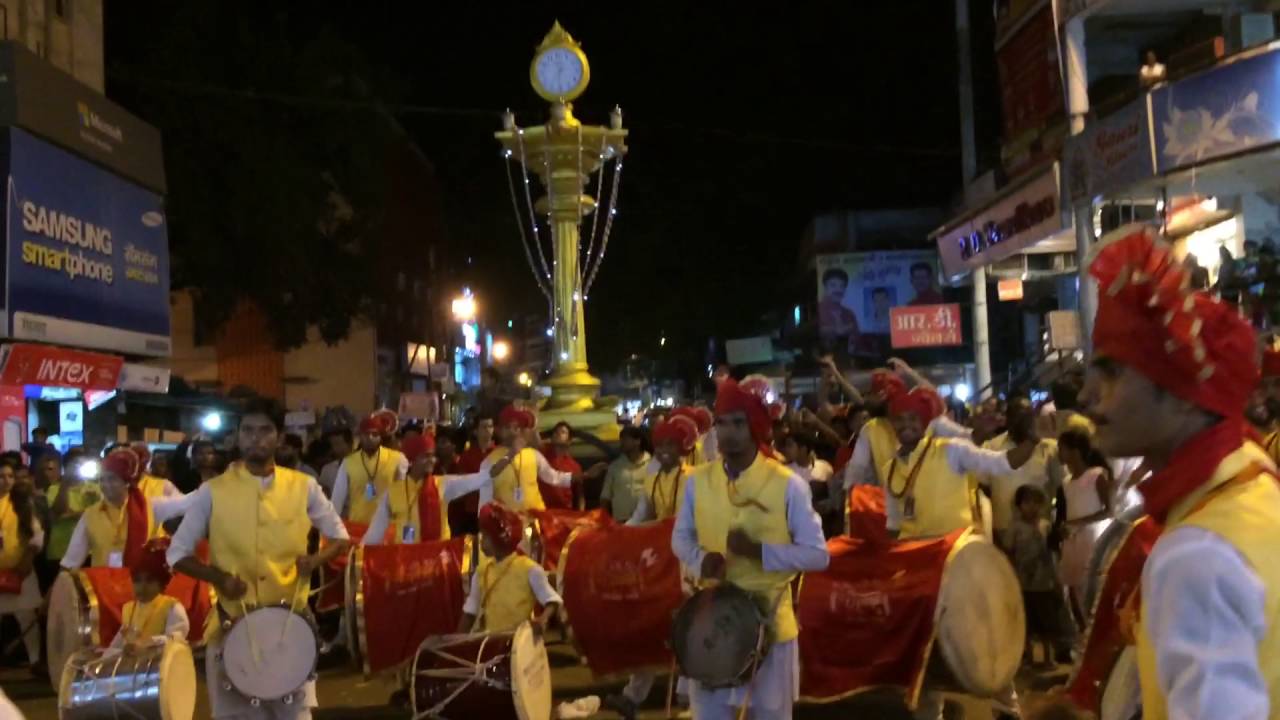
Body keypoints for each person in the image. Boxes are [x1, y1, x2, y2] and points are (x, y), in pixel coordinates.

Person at [1076, 224, 1280, 718]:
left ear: (1189, 396)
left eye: (1112, 372)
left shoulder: (1195, 555)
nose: (1085, 397)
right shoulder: (1253, 477)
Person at [167, 397, 350, 719]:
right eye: (248, 430)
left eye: (265, 430)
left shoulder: (304, 486)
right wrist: (220, 579)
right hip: (231, 625)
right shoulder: (213, 491)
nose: (256, 438)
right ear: (237, 437)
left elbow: (340, 538)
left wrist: (317, 560)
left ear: (278, 438)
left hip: (290, 628)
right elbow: (177, 554)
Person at [672, 379, 830, 720]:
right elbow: (680, 539)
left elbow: (818, 555)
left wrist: (759, 552)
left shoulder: (789, 484)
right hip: (713, 625)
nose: (728, 433)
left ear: (756, 426)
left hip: (769, 630)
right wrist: (702, 559)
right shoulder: (697, 482)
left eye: (738, 423)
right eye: (722, 423)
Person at [60, 448, 182, 569]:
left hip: (141, 584)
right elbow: (72, 559)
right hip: (104, 585)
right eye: (102, 480)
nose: (106, 485)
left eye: (112, 479)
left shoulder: (151, 506)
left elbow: (190, 503)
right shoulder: (91, 514)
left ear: (127, 482)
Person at [363, 434, 488, 545]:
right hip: (405, 560)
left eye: (433, 456)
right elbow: (376, 531)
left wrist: (499, 465)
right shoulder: (393, 492)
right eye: (426, 456)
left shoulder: (443, 484)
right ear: (412, 460)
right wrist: (360, 553)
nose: (432, 460)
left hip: (437, 559)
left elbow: (477, 479)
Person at [457, 502, 561, 635]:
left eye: (486, 536)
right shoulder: (482, 571)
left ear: (499, 539)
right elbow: (470, 612)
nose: (481, 540)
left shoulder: (529, 569)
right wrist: (455, 643)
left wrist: (542, 620)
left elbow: (552, 600)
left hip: (520, 644)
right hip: (492, 644)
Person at [979, 396, 1065, 548]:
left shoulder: (1049, 449)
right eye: (1016, 416)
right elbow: (984, 490)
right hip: (1003, 534)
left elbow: (1062, 489)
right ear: (1008, 419)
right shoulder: (991, 448)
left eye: (1026, 416)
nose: (1021, 421)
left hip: (1039, 534)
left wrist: (1057, 527)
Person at [1007, 485, 1068, 667]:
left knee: (1047, 623)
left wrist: (1057, 577)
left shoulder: (1046, 526)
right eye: (1027, 502)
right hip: (1024, 583)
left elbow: (1054, 553)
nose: (1032, 506)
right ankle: (1029, 658)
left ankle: (1048, 658)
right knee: (1028, 623)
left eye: (1036, 502)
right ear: (1019, 505)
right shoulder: (1015, 529)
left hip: (1045, 582)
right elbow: (1009, 552)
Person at [1056, 429, 1113, 619]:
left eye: (1062, 448)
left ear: (1075, 451)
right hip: (1074, 539)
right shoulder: (1066, 482)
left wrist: (1077, 523)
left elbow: (1109, 510)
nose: (1058, 452)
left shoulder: (1096, 476)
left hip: (1093, 536)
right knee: (1072, 583)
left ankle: (1093, 624)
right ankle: (1081, 628)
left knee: (1092, 583)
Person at [109, 538, 189, 653]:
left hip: (161, 666)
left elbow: (177, 639)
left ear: (162, 584)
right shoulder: (129, 608)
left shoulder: (172, 607)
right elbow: (116, 646)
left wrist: (150, 641)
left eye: (150, 581)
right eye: (137, 581)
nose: (142, 587)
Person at [0, 458, 43, 669]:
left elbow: (37, 535)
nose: (6, 481)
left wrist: (27, 559)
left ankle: (35, 660)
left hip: (20, 571)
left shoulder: (21, 503)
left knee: (26, 616)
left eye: (10, 476)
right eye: (1, 476)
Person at [331, 414, 409, 524]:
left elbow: (402, 496)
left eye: (375, 434)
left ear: (380, 437)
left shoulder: (397, 459)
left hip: (387, 526)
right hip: (357, 525)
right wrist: (332, 528)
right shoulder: (348, 462)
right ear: (360, 437)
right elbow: (337, 499)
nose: (370, 438)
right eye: (366, 434)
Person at [43, 453, 99, 586]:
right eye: (74, 465)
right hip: (60, 550)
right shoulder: (54, 489)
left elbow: (100, 514)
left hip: (88, 551)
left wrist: (72, 514)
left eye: (81, 465)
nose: (78, 468)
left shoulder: (94, 488)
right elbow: (57, 514)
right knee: (60, 593)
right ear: (65, 467)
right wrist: (65, 485)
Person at [600, 426, 650, 522]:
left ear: (637, 441)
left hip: (646, 522)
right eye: (621, 439)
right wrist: (604, 520)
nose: (622, 443)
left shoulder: (651, 465)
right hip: (620, 521)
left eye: (626, 439)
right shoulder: (615, 467)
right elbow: (605, 496)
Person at [818, 267, 860, 350]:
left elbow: (857, 339)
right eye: (833, 285)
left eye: (842, 286)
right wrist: (834, 330)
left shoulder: (849, 314)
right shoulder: (815, 310)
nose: (838, 290)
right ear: (825, 288)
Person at [317, 428, 352, 497]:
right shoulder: (327, 469)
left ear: (350, 444)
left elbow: (371, 495)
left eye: (338, 444)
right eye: (333, 444)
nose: (335, 448)